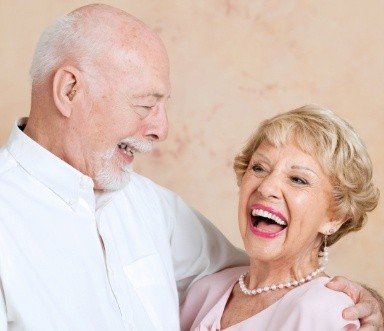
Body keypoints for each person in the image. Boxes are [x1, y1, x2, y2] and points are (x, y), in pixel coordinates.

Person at [0, 3, 382, 330]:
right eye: (146, 105)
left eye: (297, 178)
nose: (161, 129)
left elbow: (268, 275)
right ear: (69, 91)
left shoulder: (153, 207)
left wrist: (364, 304)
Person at [180, 105, 381, 331]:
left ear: (335, 217)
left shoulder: (329, 311)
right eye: (259, 168)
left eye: (298, 179)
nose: (266, 187)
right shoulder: (204, 292)